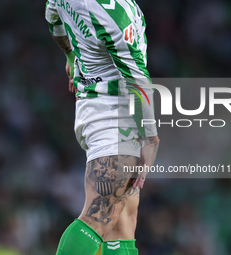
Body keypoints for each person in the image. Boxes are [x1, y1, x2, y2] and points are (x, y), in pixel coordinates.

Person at [45, 0, 160, 254]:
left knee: (123, 223)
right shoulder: (115, 13)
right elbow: (136, 78)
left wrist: (71, 56)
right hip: (114, 115)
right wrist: (149, 137)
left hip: (95, 108)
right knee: (99, 216)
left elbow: (52, 15)